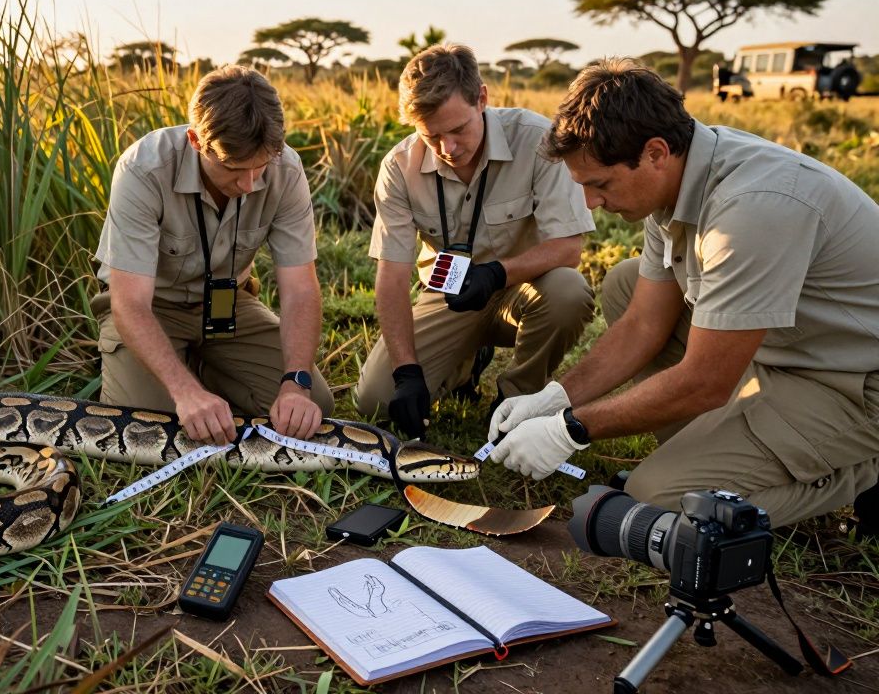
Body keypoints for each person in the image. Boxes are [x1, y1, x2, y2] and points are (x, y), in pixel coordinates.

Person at [490, 58, 879, 529]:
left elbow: (705, 380)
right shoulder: (677, 176)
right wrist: (554, 398)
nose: (591, 203)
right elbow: (642, 325)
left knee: (657, 502)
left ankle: (860, 467)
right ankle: (716, 450)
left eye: (600, 184)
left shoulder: (753, 209)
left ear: (655, 152)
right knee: (627, 283)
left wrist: (570, 430)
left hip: (852, 381)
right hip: (782, 349)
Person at [355, 43, 595, 439]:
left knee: (569, 290)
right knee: (376, 402)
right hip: (448, 295)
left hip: (526, 289)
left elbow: (568, 248)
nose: (448, 149)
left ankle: (518, 397)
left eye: (459, 129)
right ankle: (465, 360)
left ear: (482, 98)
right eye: (432, 136)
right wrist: (406, 372)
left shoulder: (538, 140)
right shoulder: (398, 167)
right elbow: (393, 275)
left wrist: (497, 273)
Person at [92, 65, 334, 446]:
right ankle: (186, 376)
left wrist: (296, 381)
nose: (249, 184)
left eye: (260, 167)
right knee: (149, 424)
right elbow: (130, 304)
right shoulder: (143, 168)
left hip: (229, 306)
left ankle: (204, 368)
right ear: (195, 140)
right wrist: (183, 392)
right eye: (233, 168)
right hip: (154, 308)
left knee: (311, 406)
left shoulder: (286, 169)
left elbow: (300, 289)